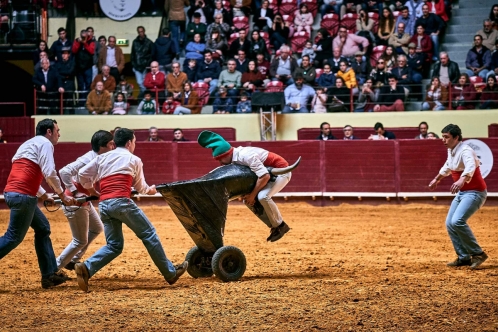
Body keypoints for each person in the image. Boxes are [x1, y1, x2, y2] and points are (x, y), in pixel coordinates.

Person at [75, 128, 188, 292]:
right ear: (129, 143)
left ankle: (86, 267)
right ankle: (170, 273)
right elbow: (141, 188)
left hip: (105, 205)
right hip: (121, 203)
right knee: (149, 234)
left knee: (114, 245)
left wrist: (91, 190)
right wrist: (152, 190)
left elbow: (81, 174)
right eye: (134, 142)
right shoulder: (134, 159)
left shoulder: (103, 158)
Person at [0, 119, 75, 289]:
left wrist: (43, 195)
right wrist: (62, 194)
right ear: (49, 131)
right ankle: (49, 274)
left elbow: (26, 173)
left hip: (14, 194)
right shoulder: (45, 144)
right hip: (23, 196)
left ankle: (49, 275)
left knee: (43, 228)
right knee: (12, 238)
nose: (59, 134)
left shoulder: (27, 144)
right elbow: (49, 172)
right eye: (57, 130)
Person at [198, 130, 292, 242]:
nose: (220, 163)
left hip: (280, 172)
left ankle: (280, 226)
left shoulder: (245, 156)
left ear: (227, 154)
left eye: (220, 159)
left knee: (262, 196)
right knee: (248, 200)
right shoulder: (235, 158)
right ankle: (275, 226)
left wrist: (252, 195)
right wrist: (249, 196)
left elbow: (264, 176)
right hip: (266, 175)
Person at [428, 124, 488, 270]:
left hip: (475, 192)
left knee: (457, 221)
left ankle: (478, 253)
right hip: (463, 193)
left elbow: (470, 167)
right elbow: (447, 166)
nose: (443, 140)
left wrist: (462, 180)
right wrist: (437, 179)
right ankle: (464, 257)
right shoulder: (452, 150)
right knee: (450, 223)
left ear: (456, 137)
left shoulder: (466, 150)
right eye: (442, 136)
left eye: (446, 137)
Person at [57, 130, 114, 271]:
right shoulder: (88, 158)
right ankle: (53, 269)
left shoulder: (99, 157)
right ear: (103, 146)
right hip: (76, 203)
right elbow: (64, 171)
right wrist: (75, 192)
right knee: (79, 241)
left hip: (84, 201)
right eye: (111, 144)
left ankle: (73, 259)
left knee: (96, 228)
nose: (113, 147)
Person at [72, 29, 95, 105]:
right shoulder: (77, 41)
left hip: (88, 66)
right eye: (82, 36)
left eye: (85, 36)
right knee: (80, 85)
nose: (83, 38)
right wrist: (79, 43)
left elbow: (91, 51)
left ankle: (88, 101)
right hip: (79, 67)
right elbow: (74, 51)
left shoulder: (91, 41)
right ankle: (81, 101)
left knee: (88, 84)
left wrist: (85, 43)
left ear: (87, 36)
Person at [131, 26, 154, 98]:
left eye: (142, 31)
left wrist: (148, 64)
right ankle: (146, 96)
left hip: (145, 66)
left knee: (144, 83)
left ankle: (143, 97)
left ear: (144, 31)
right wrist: (133, 64)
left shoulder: (149, 42)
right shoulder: (134, 42)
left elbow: (152, 55)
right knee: (139, 82)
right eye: (139, 32)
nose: (140, 33)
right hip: (137, 65)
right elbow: (133, 54)